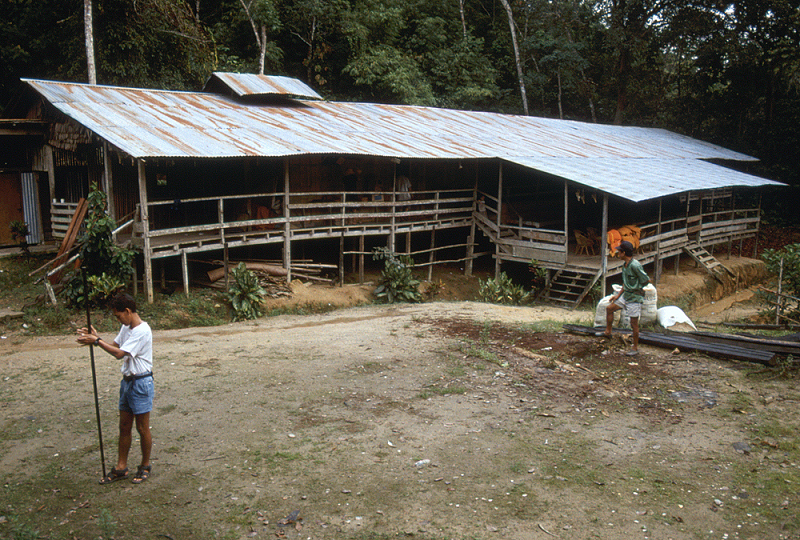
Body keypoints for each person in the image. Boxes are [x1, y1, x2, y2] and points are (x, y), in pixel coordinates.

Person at [77, 293, 154, 484]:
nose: (118, 319)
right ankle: (121, 467)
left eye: (118, 316)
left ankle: (145, 465)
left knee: (142, 428)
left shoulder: (142, 331)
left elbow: (119, 354)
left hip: (141, 382)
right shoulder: (126, 327)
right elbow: (115, 346)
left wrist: (96, 342)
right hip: (127, 381)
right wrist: (98, 338)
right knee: (124, 426)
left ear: (128, 311)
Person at [596, 240, 650, 356]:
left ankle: (635, 348)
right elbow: (626, 283)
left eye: (619, 251)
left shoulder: (635, 265)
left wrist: (637, 288)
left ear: (624, 253)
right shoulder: (625, 265)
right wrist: (618, 296)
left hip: (634, 298)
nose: (617, 253)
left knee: (633, 323)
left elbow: (646, 280)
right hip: (626, 296)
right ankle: (608, 332)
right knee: (609, 308)